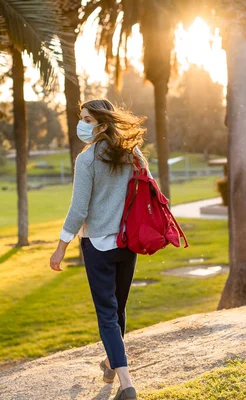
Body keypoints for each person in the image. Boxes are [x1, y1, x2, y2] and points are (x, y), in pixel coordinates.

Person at [49, 99, 151, 400]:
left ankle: (127, 384)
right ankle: (109, 364)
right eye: (81, 118)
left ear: (102, 124)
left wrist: (60, 248)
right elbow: (148, 184)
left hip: (98, 246)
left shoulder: (87, 159)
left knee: (107, 313)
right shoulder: (131, 153)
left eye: (87, 119)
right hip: (126, 243)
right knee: (118, 308)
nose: (81, 124)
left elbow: (78, 209)